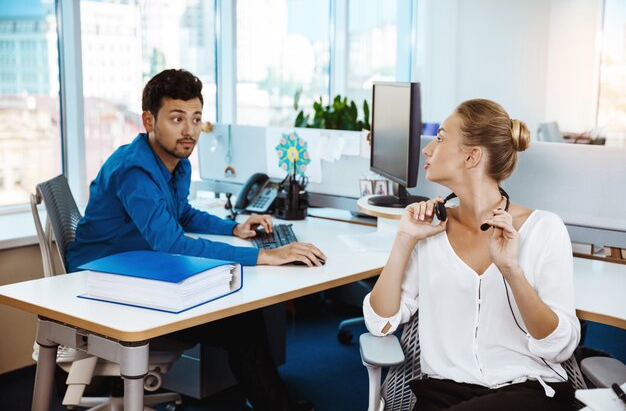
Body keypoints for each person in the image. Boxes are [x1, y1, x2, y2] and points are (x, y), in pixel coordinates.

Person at [66, 69, 322, 411]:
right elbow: (172, 244)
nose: (190, 131)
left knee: (242, 314)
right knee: (241, 320)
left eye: (196, 118)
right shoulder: (135, 171)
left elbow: (181, 213)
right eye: (177, 118)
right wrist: (265, 256)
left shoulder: (176, 161)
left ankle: (268, 399)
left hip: (137, 267)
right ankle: (271, 402)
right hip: (104, 286)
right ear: (148, 120)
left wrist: (235, 228)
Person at [364, 99, 580, 411]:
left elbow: (559, 346)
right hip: (440, 393)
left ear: (472, 155)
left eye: (440, 138)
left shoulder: (544, 229)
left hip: (526, 391)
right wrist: (404, 239)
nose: (427, 150)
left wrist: (511, 271)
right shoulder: (429, 230)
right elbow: (381, 324)